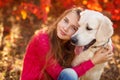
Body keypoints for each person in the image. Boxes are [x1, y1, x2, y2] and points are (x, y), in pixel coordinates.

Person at [20, 7, 113, 80]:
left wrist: (107, 46)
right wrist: (93, 62)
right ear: (60, 18)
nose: (65, 28)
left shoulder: (71, 42)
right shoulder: (41, 39)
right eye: (65, 21)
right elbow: (61, 75)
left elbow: (103, 38)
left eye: (74, 28)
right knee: (69, 73)